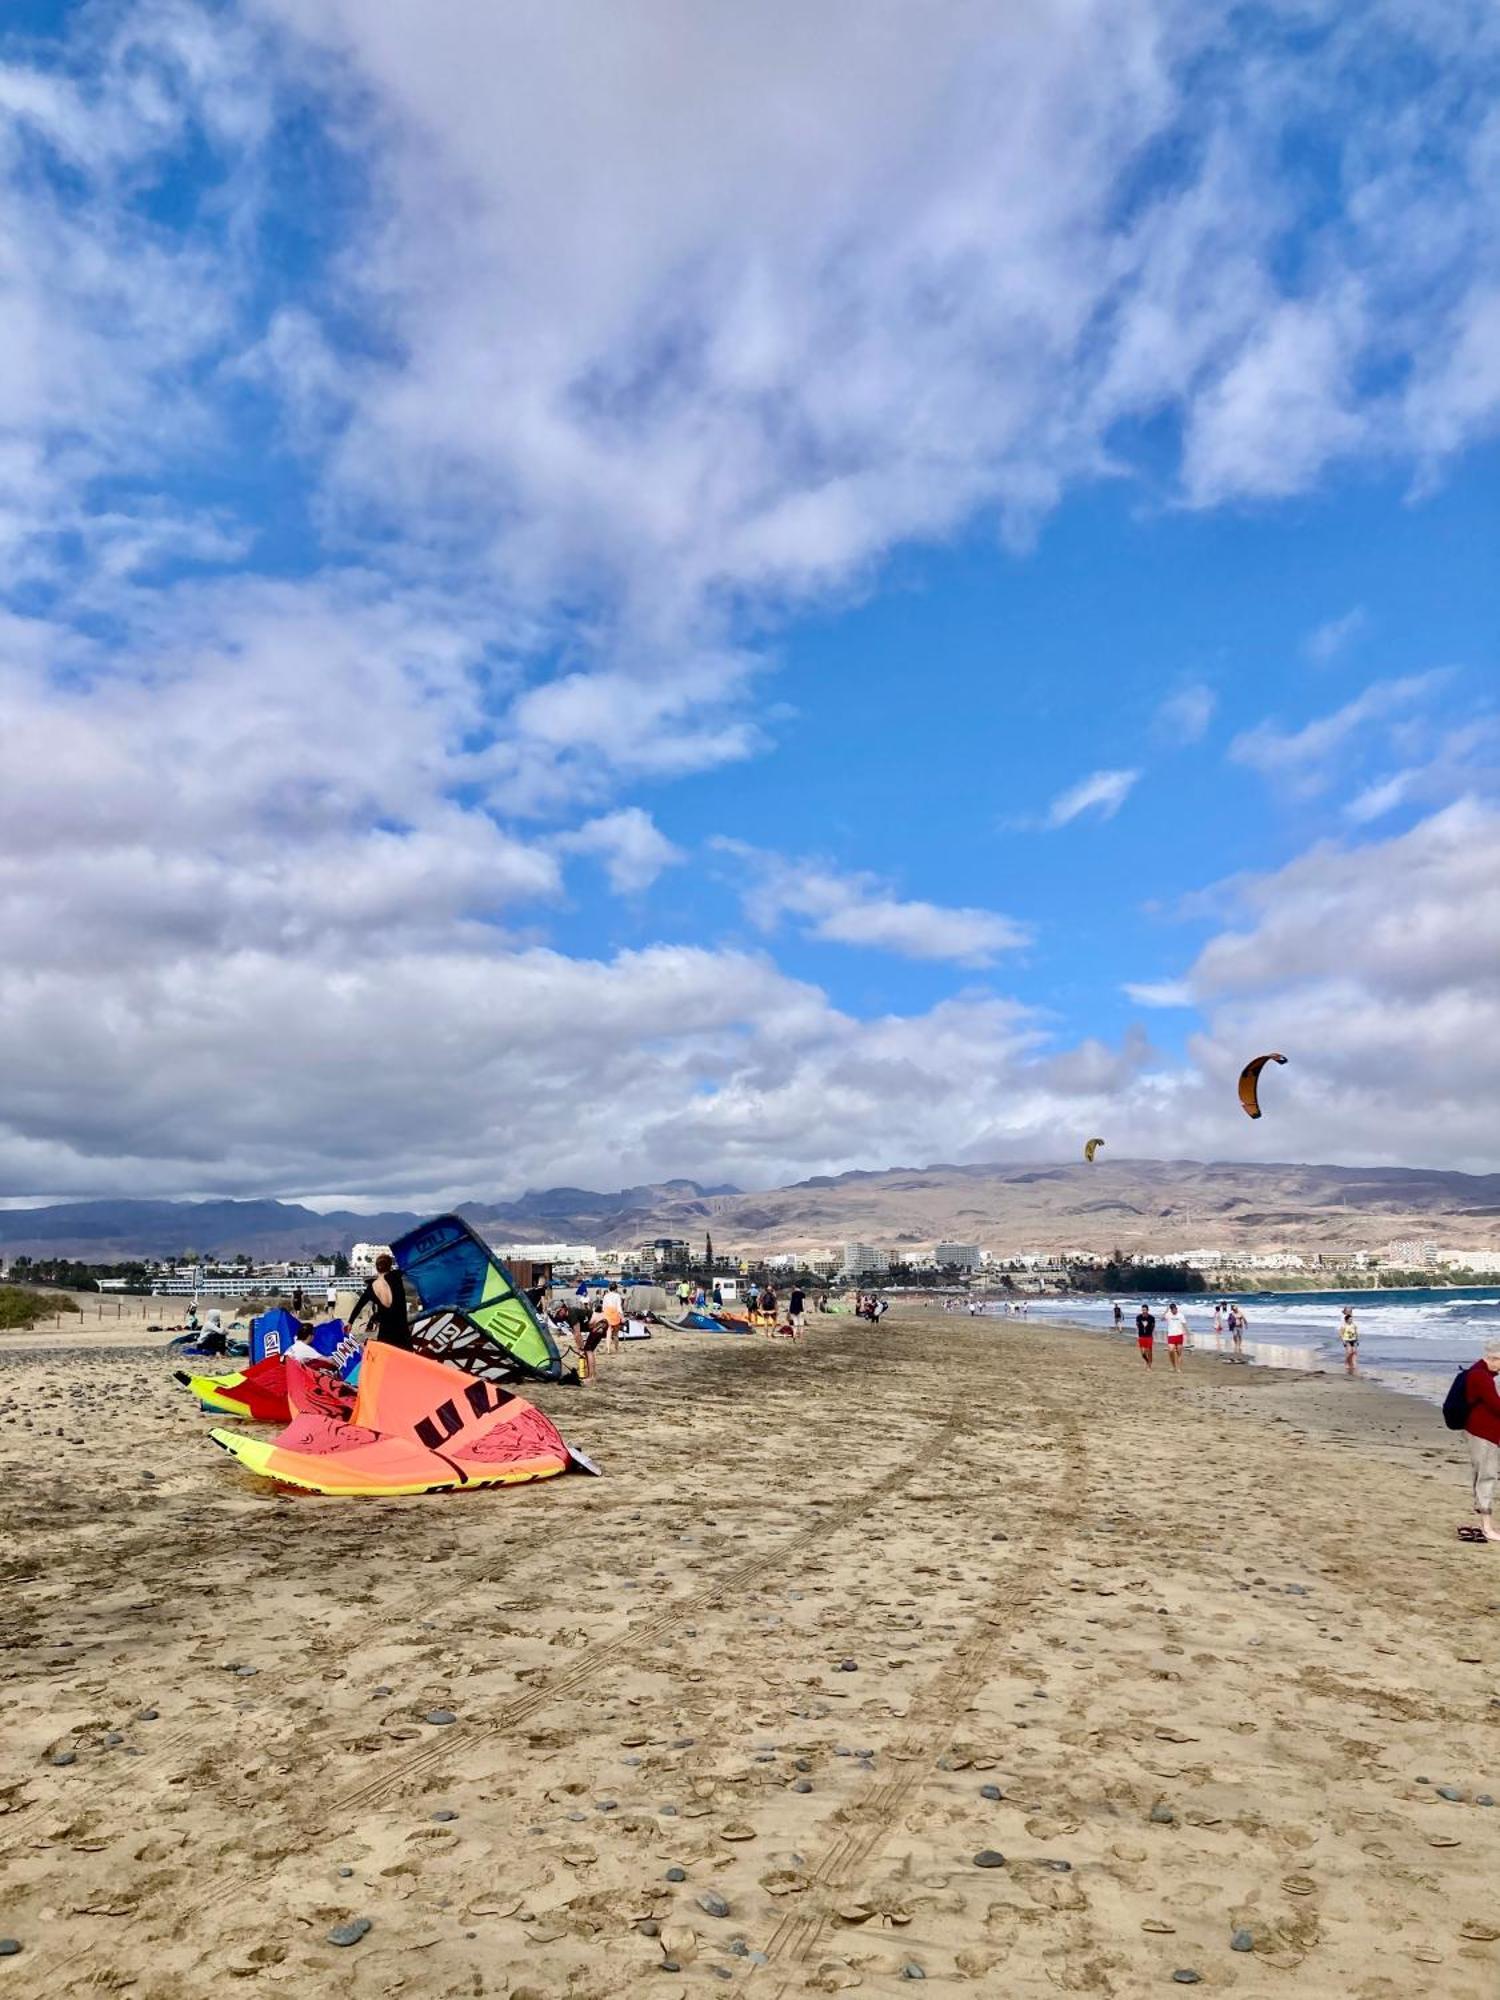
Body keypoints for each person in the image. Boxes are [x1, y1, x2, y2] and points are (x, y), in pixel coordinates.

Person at [1460, 1347, 1500, 1543]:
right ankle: (1486, 1527)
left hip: (1480, 1431)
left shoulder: (1477, 1373)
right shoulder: (1481, 1377)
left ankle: (1484, 1523)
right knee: (1486, 1476)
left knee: (1482, 1475)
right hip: (1482, 1433)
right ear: (1491, 1358)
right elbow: (1496, 1406)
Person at [350, 1252, 411, 1350]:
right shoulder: (396, 1277)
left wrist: (350, 1322)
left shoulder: (372, 1287)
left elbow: (359, 1305)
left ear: (376, 1268)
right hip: (402, 1330)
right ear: (390, 1266)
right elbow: (409, 1266)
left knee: (386, 1359)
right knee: (406, 1360)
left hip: (386, 1331)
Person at [1163, 1301, 1188, 1371]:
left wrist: (1187, 1333)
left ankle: (1179, 1368)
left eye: (1175, 1309)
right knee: (1171, 1350)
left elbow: (1184, 1324)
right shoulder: (1168, 1314)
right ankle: (1173, 1366)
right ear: (1171, 1310)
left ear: (1176, 1308)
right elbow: (1161, 1319)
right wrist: (1166, 1310)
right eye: (1172, 1309)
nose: (1174, 1310)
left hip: (1179, 1335)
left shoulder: (1180, 1315)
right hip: (1171, 1335)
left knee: (1179, 1352)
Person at [601, 1284, 625, 1354]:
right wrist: (622, 1317)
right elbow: (619, 1307)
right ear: (616, 1289)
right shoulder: (617, 1296)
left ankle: (608, 1349)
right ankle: (616, 1349)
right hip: (615, 1313)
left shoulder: (605, 1296)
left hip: (607, 1313)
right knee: (615, 1334)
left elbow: (603, 1307)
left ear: (609, 1288)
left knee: (608, 1332)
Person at [1339, 1304, 1359, 1375]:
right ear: (1345, 1311)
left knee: (1354, 1352)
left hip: (1353, 1337)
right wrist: (1343, 1339)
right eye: (1348, 1310)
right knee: (1349, 1351)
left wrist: (1357, 1338)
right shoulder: (1344, 1319)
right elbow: (1341, 1330)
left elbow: (1354, 1328)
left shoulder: (1351, 1318)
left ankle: (1353, 1363)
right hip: (1346, 1337)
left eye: (1350, 1310)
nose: (1350, 1311)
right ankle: (1347, 1362)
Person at [1135, 1303, 1155, 1368]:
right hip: (1141, 1336)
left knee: (1149, 1351)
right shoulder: (1138, 1317)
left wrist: (1151, 1333)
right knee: (1143, 1354)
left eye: (1145, 1310)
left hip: (1149, 1336)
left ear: (1147, 1310)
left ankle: (1149, 1364)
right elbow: (1137, 1325)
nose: (1144, 1311)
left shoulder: (1152, 1318)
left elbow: (1153, 1326)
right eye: (1143, 1310)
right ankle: (1147, 1362)